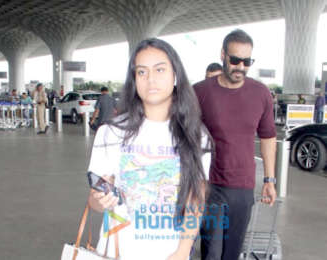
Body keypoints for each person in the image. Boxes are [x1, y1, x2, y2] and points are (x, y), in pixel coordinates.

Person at [87, 38, 212, 260]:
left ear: (175, 76)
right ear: (134, 80)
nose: (151, 79)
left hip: (167, 253)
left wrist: (182, 251)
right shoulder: (110, 132)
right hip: (114, 252)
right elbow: (94, 202)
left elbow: (196, 199)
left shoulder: (196, 136)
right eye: (142, 72)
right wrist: (99, 199)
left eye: (160, 69)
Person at [194, 29, 277, 260]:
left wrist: (269, 180)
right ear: (223, 54)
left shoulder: (260, 93)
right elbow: (185, 137)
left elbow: (269, 137)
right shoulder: (200, 92)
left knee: (232, 253)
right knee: (211, 252)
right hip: (210, 186)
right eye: (235, 60)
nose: (240, 66)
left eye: (246, 61)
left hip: (243, 188)